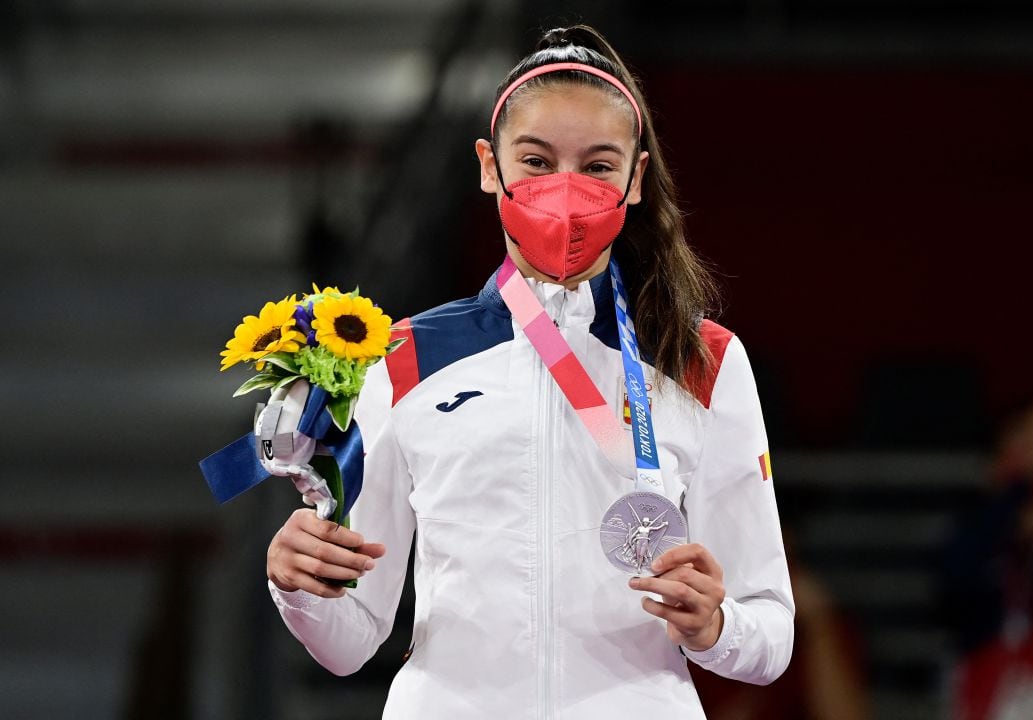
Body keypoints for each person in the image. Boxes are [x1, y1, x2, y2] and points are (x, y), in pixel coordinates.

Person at [263, 25, 794, 719]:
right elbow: (351, 640)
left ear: (635, 178)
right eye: (537, 161)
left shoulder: (703, 361)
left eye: (598, 166)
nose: (565, 191)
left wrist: (718, 627)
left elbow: (771, 632)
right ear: (490, 166)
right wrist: (301, 588)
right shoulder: (404, 359)